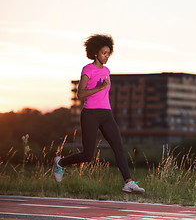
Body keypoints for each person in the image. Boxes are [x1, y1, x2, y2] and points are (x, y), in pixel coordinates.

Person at [53, 34, 145, 194]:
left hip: (106, 114)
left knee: (118, 146)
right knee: (88, 155)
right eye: (104, 53)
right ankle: (60, 163)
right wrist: (100, 87)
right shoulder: (87, 69)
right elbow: (80, 94)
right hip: (90, 114)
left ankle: (128, 182)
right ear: (95, 53)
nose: (107, 56)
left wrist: (103, 91)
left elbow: (103, 95)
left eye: (108, 53)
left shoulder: (107, 71)